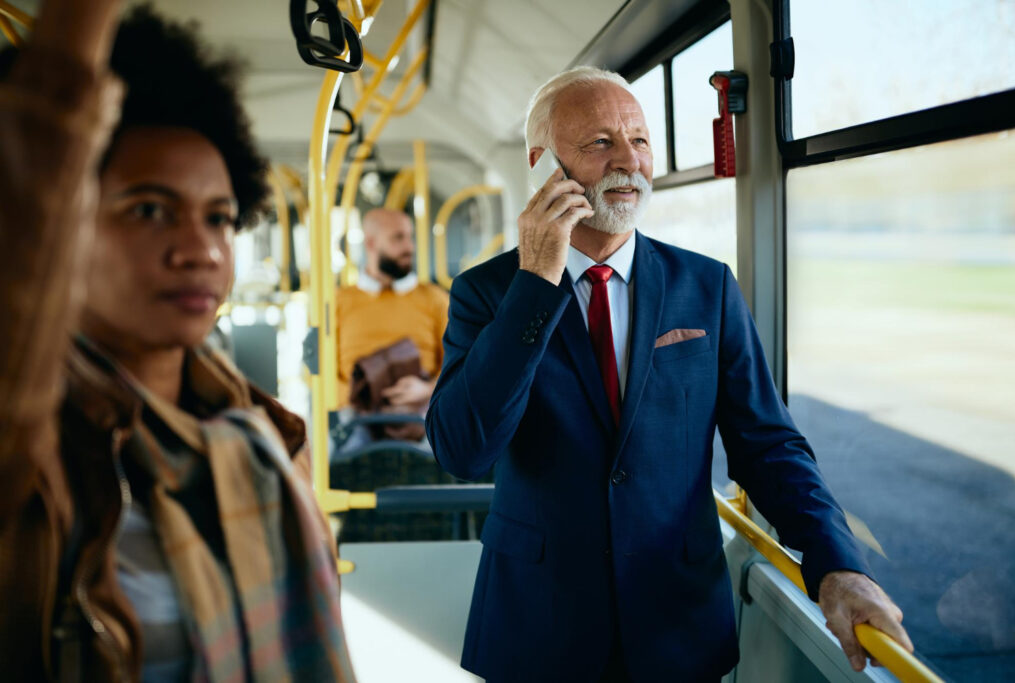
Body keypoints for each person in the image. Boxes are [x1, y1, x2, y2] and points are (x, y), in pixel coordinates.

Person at [425, 66, 914, 682]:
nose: (629, 161)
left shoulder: (706, 286)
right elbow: (462, 450)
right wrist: (535, 284)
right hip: (537, 625)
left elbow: (768, 444)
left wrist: (838, 564)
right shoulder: (486, 293)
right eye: (600, 143)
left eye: (640, 140)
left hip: (678, 624)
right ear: (541, 164)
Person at [0, 3, 354, 681]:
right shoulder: (34, 451)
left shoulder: (265, 434)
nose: (199, 250)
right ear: (59, 228)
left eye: (218, 217)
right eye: (149, 210)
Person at [335, 207, 448, 415]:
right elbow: (319, 375)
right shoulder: (338, 302)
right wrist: (359, 396)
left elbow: (457, 365)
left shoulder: (435, 299)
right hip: (355, 414)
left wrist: (427, 390)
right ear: (371, 243)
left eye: (409, 237)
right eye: (398, 238)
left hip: (421, 411)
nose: (409, 247)